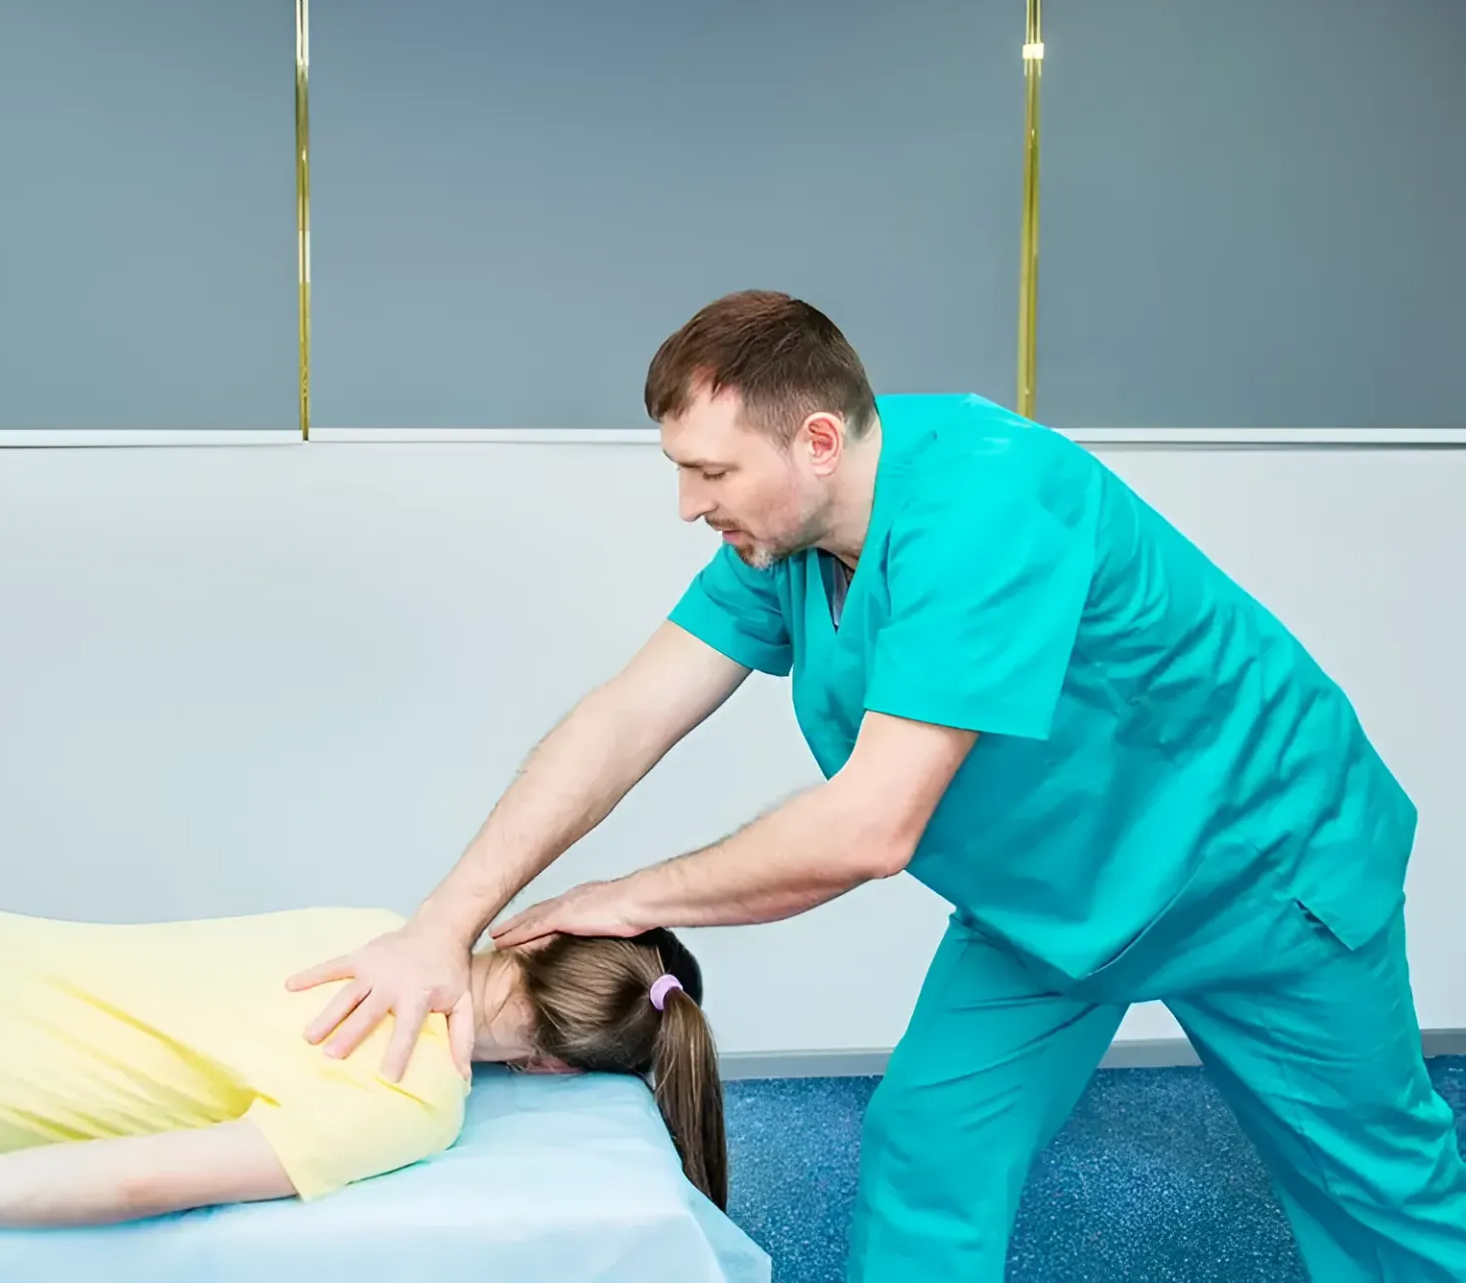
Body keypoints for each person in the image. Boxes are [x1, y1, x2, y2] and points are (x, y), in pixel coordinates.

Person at [291, 290, 1466, 1280]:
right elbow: (624, 717)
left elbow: (869, 825)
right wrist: (441, 925)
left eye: (709, 471)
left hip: (1260, 865)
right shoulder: (784, 542)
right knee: (927, 1142)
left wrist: (629, 892)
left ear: (814, 439)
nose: (690, 504)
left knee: (1376, 1185)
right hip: (1061, 899)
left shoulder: (988, 502)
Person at [0, 888, 724, 1248]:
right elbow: (136, 1180)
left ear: (529, 934)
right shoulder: (410, 1100)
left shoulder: (378, 926)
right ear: (564, 1072)